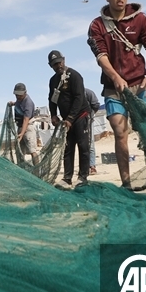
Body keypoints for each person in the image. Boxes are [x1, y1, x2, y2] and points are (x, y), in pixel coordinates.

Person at [87, 0, 146, 188]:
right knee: (120, 131)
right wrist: (116, 77)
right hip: (113, 88)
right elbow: (100, 55)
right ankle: (126, 183)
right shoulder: (97, 25)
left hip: (140, 86)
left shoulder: (141, 20)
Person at [47, 51, 90, 189]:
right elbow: (52, 100)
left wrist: (71, 118)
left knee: (83, 146)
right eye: (54, 64)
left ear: (64, 60)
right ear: (50, 66)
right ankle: (67, 178)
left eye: (59, 62)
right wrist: (53, 115)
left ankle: (83, 177)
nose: (58, 65)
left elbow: (79, 98)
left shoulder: (75, 76)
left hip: (80, 115)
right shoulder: (53, 81)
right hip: (66, 120)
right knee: (68, 147)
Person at [10, 82, 39, 166]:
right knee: (20, 151)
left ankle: (37, 171)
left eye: (20, 95)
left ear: (25, 93)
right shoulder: (19, 100)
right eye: (16, 95)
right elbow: (19, 104)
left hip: (28, 127)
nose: (18, 97)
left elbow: (26, 120)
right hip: (20, 126)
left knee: (32, 150)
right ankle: (22, 169)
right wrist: (13, 103)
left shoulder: (28, 103)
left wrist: (22, 133)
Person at [85, 88, 101, 175]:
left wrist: (90, 115)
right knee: (81, 145)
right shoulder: (72, 93)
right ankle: (84, 167)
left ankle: (92, 166)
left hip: (88, 120)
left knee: (90, 144)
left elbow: (96, 105)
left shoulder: (88, 93)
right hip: (76, 122)